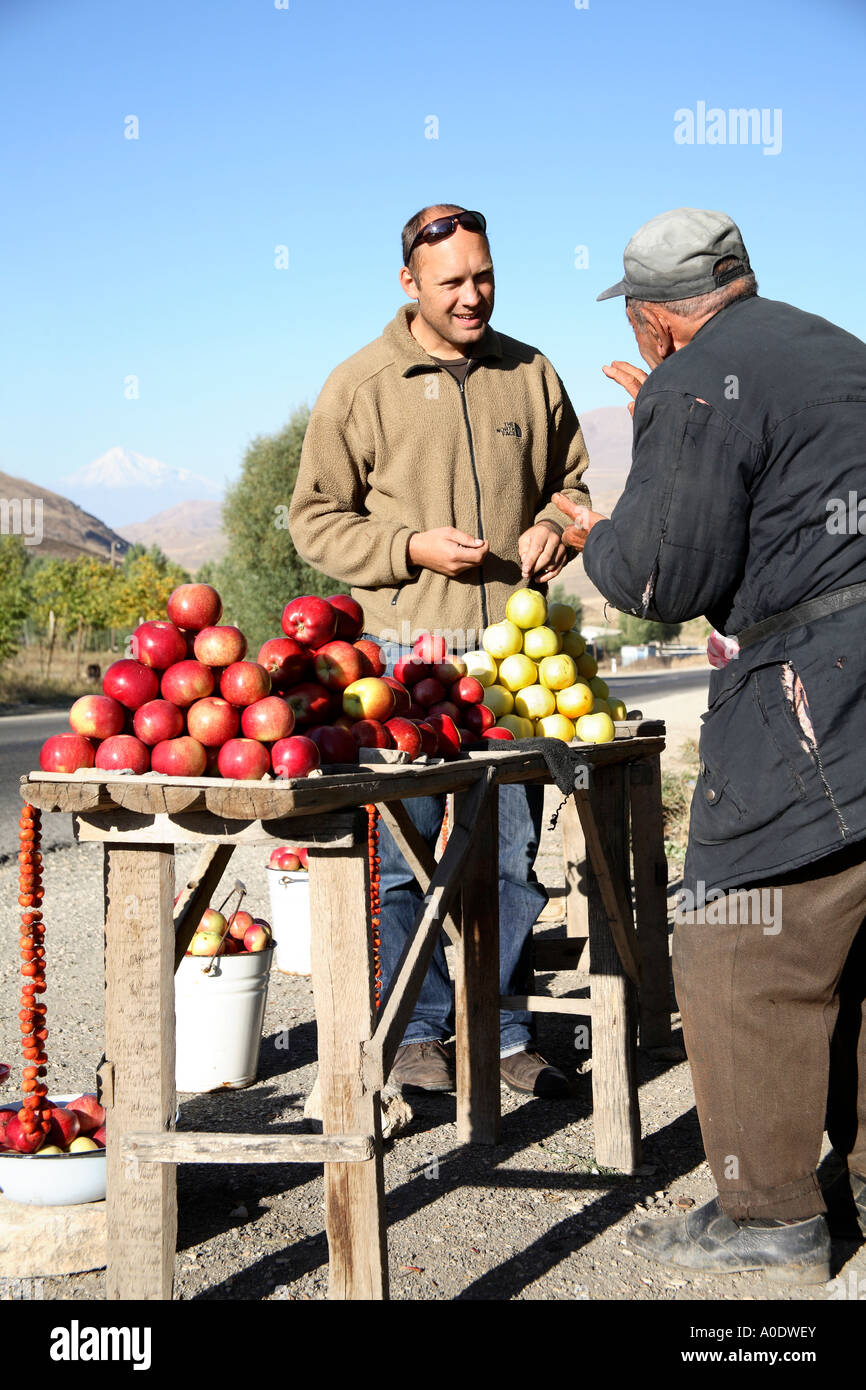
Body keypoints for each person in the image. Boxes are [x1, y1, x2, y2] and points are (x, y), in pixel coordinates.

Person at [554, 206, 866, 1282]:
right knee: (851, 919)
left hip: (810, 683)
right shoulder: (826, 344)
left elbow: (657, 582)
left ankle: (769, 1217)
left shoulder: (691, 380)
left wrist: (591, 526)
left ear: (650, 322)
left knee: (738, 932)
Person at [289, 204, 591, 1097]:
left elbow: (572, 486)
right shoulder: (361, 383)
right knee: (404, 860)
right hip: (398, 667)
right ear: (408, 283)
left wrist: (551, 528)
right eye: (452, 282)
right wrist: (406, 549)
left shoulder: (530, 373)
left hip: (512, 668)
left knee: (506, 859)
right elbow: (315, 519)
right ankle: (418, 1033)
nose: (472, 296)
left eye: (484, 276)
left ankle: (499, 1031)